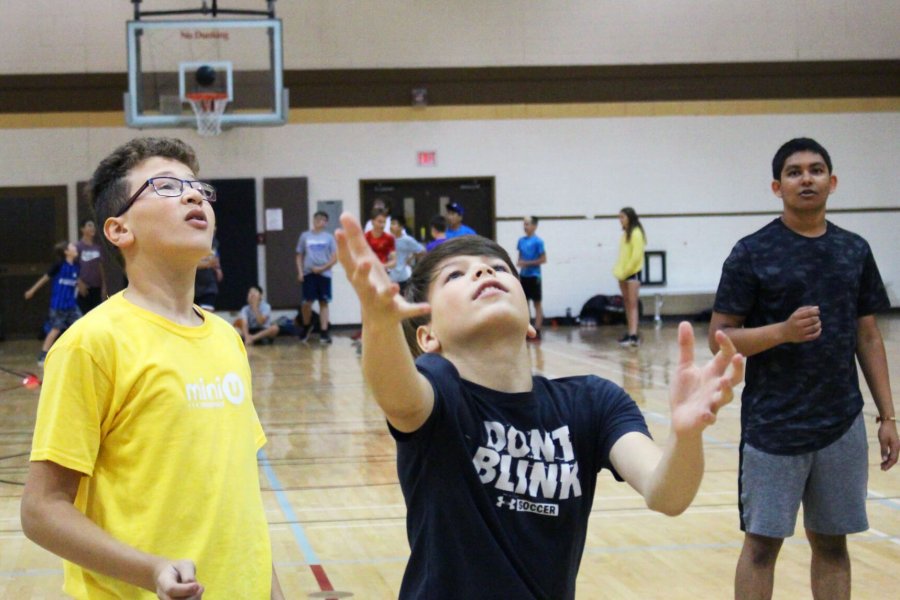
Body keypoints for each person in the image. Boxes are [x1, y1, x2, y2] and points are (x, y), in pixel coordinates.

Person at [335, 212, 743, 599]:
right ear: (428, 338)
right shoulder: (440, 390)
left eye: (498, 268)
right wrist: (378, 320)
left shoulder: (592, 403)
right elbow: (398, 396)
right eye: (456, 275)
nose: (484, 271)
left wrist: (687, 435)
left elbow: (666, 494)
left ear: (530, 319)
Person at [20, 137, 283, 599]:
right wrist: (151, 571)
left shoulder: (226, 338)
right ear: (119, 230)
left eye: (197, 187)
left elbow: (241, 506)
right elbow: (42, 510)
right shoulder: (91, 343)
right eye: (165, 186)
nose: (193, 194)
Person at [709, 137, 897, 600]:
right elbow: (722, 339)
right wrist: (782, 332)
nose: (806, 178)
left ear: (832, 182)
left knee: (833, 545)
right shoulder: (751, 252)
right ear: (777, 187)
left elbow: (868, 336)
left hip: (841, 424)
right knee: (761, 546)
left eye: (815, 170)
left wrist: (888, 416)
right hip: (773, 426)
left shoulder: (854, 250)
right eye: (794, 172)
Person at [23, 241, 82, 366]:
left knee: (80, 326)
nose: (75, 247)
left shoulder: (76, 266)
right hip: (58, 305)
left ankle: (76, 353)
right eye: (72, 246)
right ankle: (43, 355)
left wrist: (80, 285)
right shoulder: (59, 266)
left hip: (71, 305)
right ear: (66, 252)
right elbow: (45, 278)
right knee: (56, 329)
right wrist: (32, 290)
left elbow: (75, 280)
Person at [296, 210, 338, 344]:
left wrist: (322, 268)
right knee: (306, 302)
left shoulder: (329, 238)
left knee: (324, 302)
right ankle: (307, 325)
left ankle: (324, 332)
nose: (320, 222)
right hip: (309, 273)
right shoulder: (305, 236)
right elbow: (299, 255)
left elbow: (334, 258)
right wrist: (300, 272)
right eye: (318, 219)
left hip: (324, 274)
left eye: (323, 220)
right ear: (314, 220)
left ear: (326, 223)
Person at [612, 207, 645, 347]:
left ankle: (633, 335)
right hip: (623, 274)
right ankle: (630, 332)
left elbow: (636, 256)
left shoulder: (636, 234)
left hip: (633, 273)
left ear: (630, 218)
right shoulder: (625, 234)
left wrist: (627, 271)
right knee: (626, 303)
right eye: (619, 217)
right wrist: (618, 271)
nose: (620, 220)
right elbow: (623, 256)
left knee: (632, 304)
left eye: (622, 217)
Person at [516, 216, 547, 341]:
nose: (525, 226)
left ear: (534, 226)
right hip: (524, 276)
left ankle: (538, 329)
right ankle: (527, 329)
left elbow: (543, 259)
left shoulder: (538, 241)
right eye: (524, 224)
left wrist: (527, 263)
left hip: (534, 276)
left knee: (537, 303)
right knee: (525, 303)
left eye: (528, 224)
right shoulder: (521, 241)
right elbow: (519, 258)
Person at [75, 218, 106, 314]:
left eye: (93, 226)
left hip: (97, 288)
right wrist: (79, 282)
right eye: (89, 225)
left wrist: (104, 286)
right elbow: (72, 266)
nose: (93, 228)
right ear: (82, 229)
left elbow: (101, 267)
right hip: (84, 288)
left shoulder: (98, 248)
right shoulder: (77, 247)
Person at [388, 215, 425, 295]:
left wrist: (411, 258)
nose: (391, 226)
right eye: (391, 224)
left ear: (401, 226)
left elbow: (422, 251)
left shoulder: (407, 240)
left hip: (404, 278)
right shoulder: (388, 239)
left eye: (394, 224)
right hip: (391, 278)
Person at [194, 235, 222, 311]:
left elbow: (214, 259)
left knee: (206, 316)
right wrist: (206, 263)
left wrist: (218, 268)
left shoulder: (212, 240)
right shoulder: (189, 239)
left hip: (208, 287)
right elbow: (189, 264)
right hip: (191, 286)